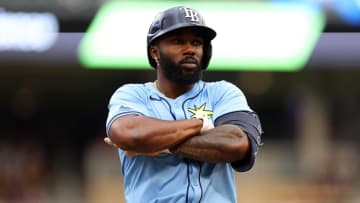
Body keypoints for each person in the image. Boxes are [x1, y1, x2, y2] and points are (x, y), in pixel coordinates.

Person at [104, 5, 263, 203]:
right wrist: (203, 125)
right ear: (155, 52)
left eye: (196, 42)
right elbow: (129, 135)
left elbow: (236, 143)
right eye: (178, 41)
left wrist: (161, 145)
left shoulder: (222, 93)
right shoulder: (132, 95)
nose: (189, 49)